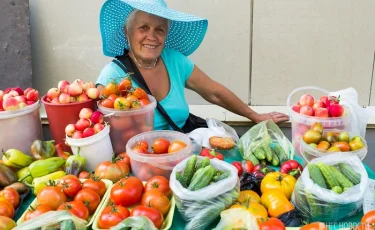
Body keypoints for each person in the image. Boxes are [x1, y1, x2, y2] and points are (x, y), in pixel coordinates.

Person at [96, 0, 289, 131]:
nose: (152, 37)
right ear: (127, 31)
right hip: (141, 166)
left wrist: (254, 116)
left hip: (184, 153)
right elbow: (99, 129)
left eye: (160, 30)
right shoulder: (112, 76)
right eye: (143, 28)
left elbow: (214, 92)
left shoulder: (175, 60)